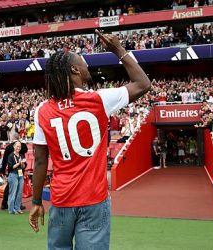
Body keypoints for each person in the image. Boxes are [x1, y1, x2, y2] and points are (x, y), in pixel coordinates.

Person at [28, 29, 150, 249]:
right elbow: (143, 84)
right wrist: (118, 49)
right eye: (82, 61)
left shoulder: (42, 110)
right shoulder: (99, 99)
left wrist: (36, 201)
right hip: (94, 199)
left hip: (61, 199)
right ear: (74, 69)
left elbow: (39, 161)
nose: (87, 65)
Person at [7, 141, 26, 214]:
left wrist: (22, 164)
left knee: (19, 192)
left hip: (20, 174)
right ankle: (11, 209)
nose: (19, 148)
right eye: (17, 146)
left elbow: (24, 167)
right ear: (14, 147)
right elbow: (11, 167)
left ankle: (17, 208)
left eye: (20, 146)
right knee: (13, 192)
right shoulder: (11, 156)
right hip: (13, 174)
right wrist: (18, 163)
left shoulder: (22, 155)